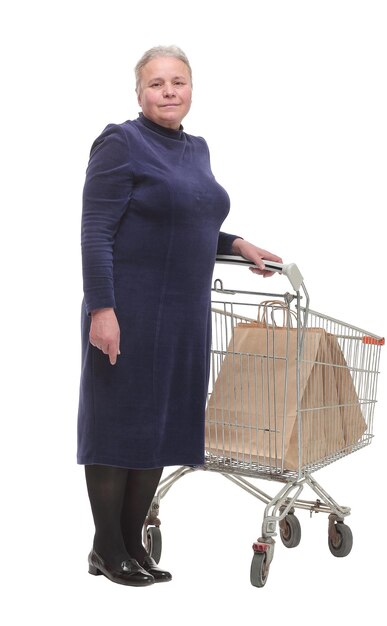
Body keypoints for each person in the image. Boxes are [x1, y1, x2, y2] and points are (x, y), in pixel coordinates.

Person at [78, 44, 282, 587]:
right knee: (118, 423)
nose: (168, 92)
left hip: (182, 314)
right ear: (139, 93)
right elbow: (96, 230)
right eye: (156, 84)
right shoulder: (121, 142)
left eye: (178, 82)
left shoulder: (197, 150)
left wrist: (235, 242)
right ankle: (107, 547)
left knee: (159, 426)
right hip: (128, 308)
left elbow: (184, 221)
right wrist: (103, 308)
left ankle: (130, 546)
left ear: (191, 89)